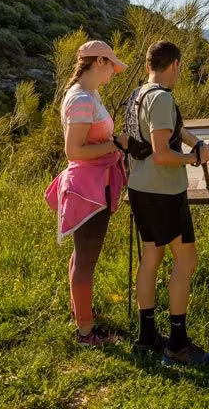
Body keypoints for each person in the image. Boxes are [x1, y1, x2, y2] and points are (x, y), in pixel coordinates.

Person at [126, 41, 209, 365]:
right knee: (186, 262)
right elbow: (163, 153)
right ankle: (178, 344)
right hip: (164, 193)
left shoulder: (140, 94)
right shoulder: (163, 99)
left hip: (140, 189)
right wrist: (193, 159)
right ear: (175, 66)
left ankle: (147, 337)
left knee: (151, 257)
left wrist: (201, 145)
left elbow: (174, 131)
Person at [45, 40, 130, 346]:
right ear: (99, 62)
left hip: (93, 185)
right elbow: (74, 150)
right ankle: (86, 333)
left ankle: (81, 315)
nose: (114, 72)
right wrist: (118, 144)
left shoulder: (89, 94)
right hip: (88, 190)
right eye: (112, 65)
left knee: (80, 257)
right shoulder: (81, 98)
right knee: (85, 260)